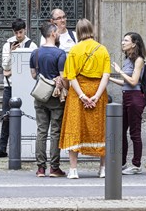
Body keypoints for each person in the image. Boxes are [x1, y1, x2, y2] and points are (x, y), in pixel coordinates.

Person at [59, 18, 110, 179]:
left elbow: (71, 76)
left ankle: (73, 169)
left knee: (74, 128)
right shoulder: (102, 50)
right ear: (91, 30)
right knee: (101, 129)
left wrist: (81, 95)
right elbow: (106, 75)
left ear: (78, 32)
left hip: (77, 92)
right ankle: (103, 168)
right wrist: (96, 95)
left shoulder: (74, 50)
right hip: (97, 91)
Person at [0, 19, 37, 159]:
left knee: (27, 115)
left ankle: (27, 147)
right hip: (10, 86)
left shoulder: (32, 45)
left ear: (25, 30)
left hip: (25, 86)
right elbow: (5, 68)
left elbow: (32, 67)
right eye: (16, 33)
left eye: (21, 32)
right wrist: (11, 54)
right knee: (6, 117)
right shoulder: (7, 45)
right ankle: (2, 148)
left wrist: (11, 71)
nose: (19, 35)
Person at [29, 22, 67, 178]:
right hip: (55, 97)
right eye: (57, 32)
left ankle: (40, 168)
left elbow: (33, 75)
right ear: (52, 34)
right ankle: (54, 167)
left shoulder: (35, 53)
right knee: (55, 132)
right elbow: (63, 78)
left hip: (40, 96)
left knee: (41, 131)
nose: (58, 34)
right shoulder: (60, 54)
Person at [111, 32, 146, 175]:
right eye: (123, 40)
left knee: (134, 133)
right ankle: (122, 163)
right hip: (126, 97)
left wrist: (119, 71)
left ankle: (136, 164)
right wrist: (110, 78)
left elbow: (133, 81)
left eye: (126, 40)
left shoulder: (139, 60)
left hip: (135, 98)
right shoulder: (128, 59)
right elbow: (126, 83)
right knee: (121, 131)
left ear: (134, 43)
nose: (122, 42)